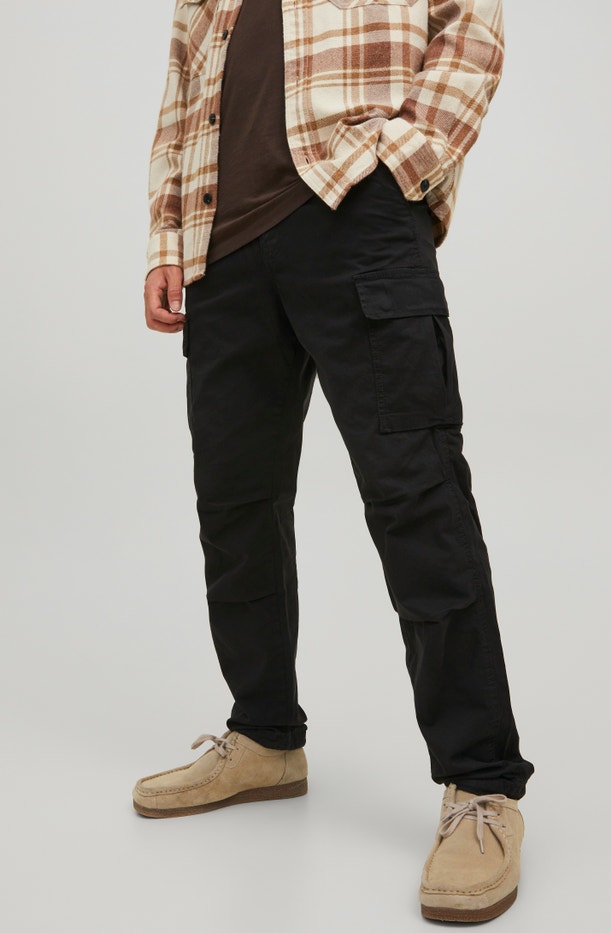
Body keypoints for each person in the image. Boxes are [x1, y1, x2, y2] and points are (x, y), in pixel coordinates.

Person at [134, 0, 535, 923]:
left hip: (357, 214)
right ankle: (264, 735)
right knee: (234, 504)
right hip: (222, 251)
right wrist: (166, 238)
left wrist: (404, 162)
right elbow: (182, 94)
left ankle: (482, 784)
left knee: (416, 494)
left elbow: (471, 24)